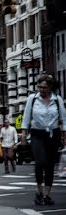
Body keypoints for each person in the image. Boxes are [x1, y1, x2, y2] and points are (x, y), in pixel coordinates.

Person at [21, 73, 66, 206]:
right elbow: (26, 118)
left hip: (53, 134)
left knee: (50, 165)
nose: (41, 90)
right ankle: (39, 191)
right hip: (37, 134)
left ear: (50, 87)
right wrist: (23, 135)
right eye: (39, 87)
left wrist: (64, 136)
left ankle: (47, 195)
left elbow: (63, 119)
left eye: (44, 88)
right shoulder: (32, 99)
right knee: (40, 162)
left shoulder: (57, 100)